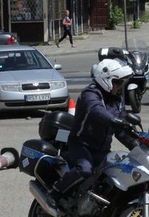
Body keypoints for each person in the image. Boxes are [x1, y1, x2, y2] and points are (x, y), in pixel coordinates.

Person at [50, 58, 134, 203]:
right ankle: (55, 193)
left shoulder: (117, 98)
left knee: (116, 174)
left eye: (123, 83)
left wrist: (137, 145)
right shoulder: (90, 93)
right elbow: (95, 109)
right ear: (106, 79)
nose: (120, 86)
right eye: (118, 82)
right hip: (81, 145)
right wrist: (113, 120)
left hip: (102, 149)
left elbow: (120, 131)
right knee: (85, 169)